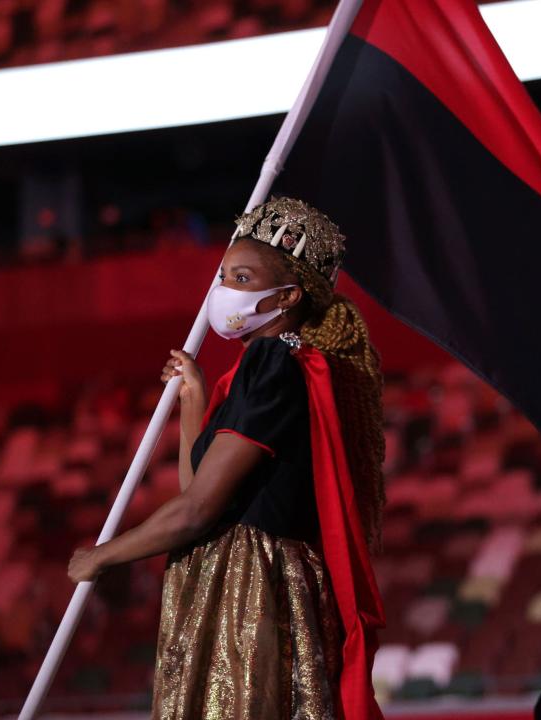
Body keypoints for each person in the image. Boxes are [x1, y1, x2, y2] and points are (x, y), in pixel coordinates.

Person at [67, 197, 387, 719]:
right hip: (235, 579)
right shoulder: (249, 373)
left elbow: (198, 511)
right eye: (222, 274)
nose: (222, 290)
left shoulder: (273, 364)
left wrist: (102, 557)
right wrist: (194, 399)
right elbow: (196, 489)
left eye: (240, 278)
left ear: (285, 296)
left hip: (251, 592)